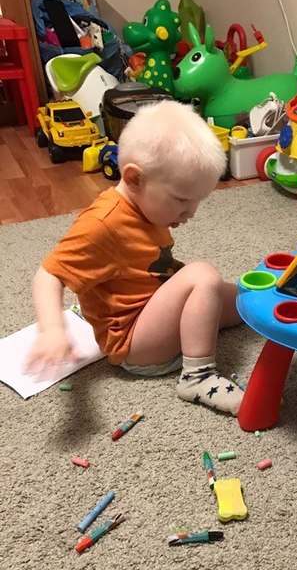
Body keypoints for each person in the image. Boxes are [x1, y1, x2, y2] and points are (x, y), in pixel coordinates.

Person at [25, 100, 244, 415]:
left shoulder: (147, 205)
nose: (191, 213)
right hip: (134, 343)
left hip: (155, 311)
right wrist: (52, 330)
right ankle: (198, 377)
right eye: (182, 200)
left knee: (244, 300)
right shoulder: (101, 223)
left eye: (197, 201)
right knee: (202, 276)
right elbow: (48, 274)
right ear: (135, 179)